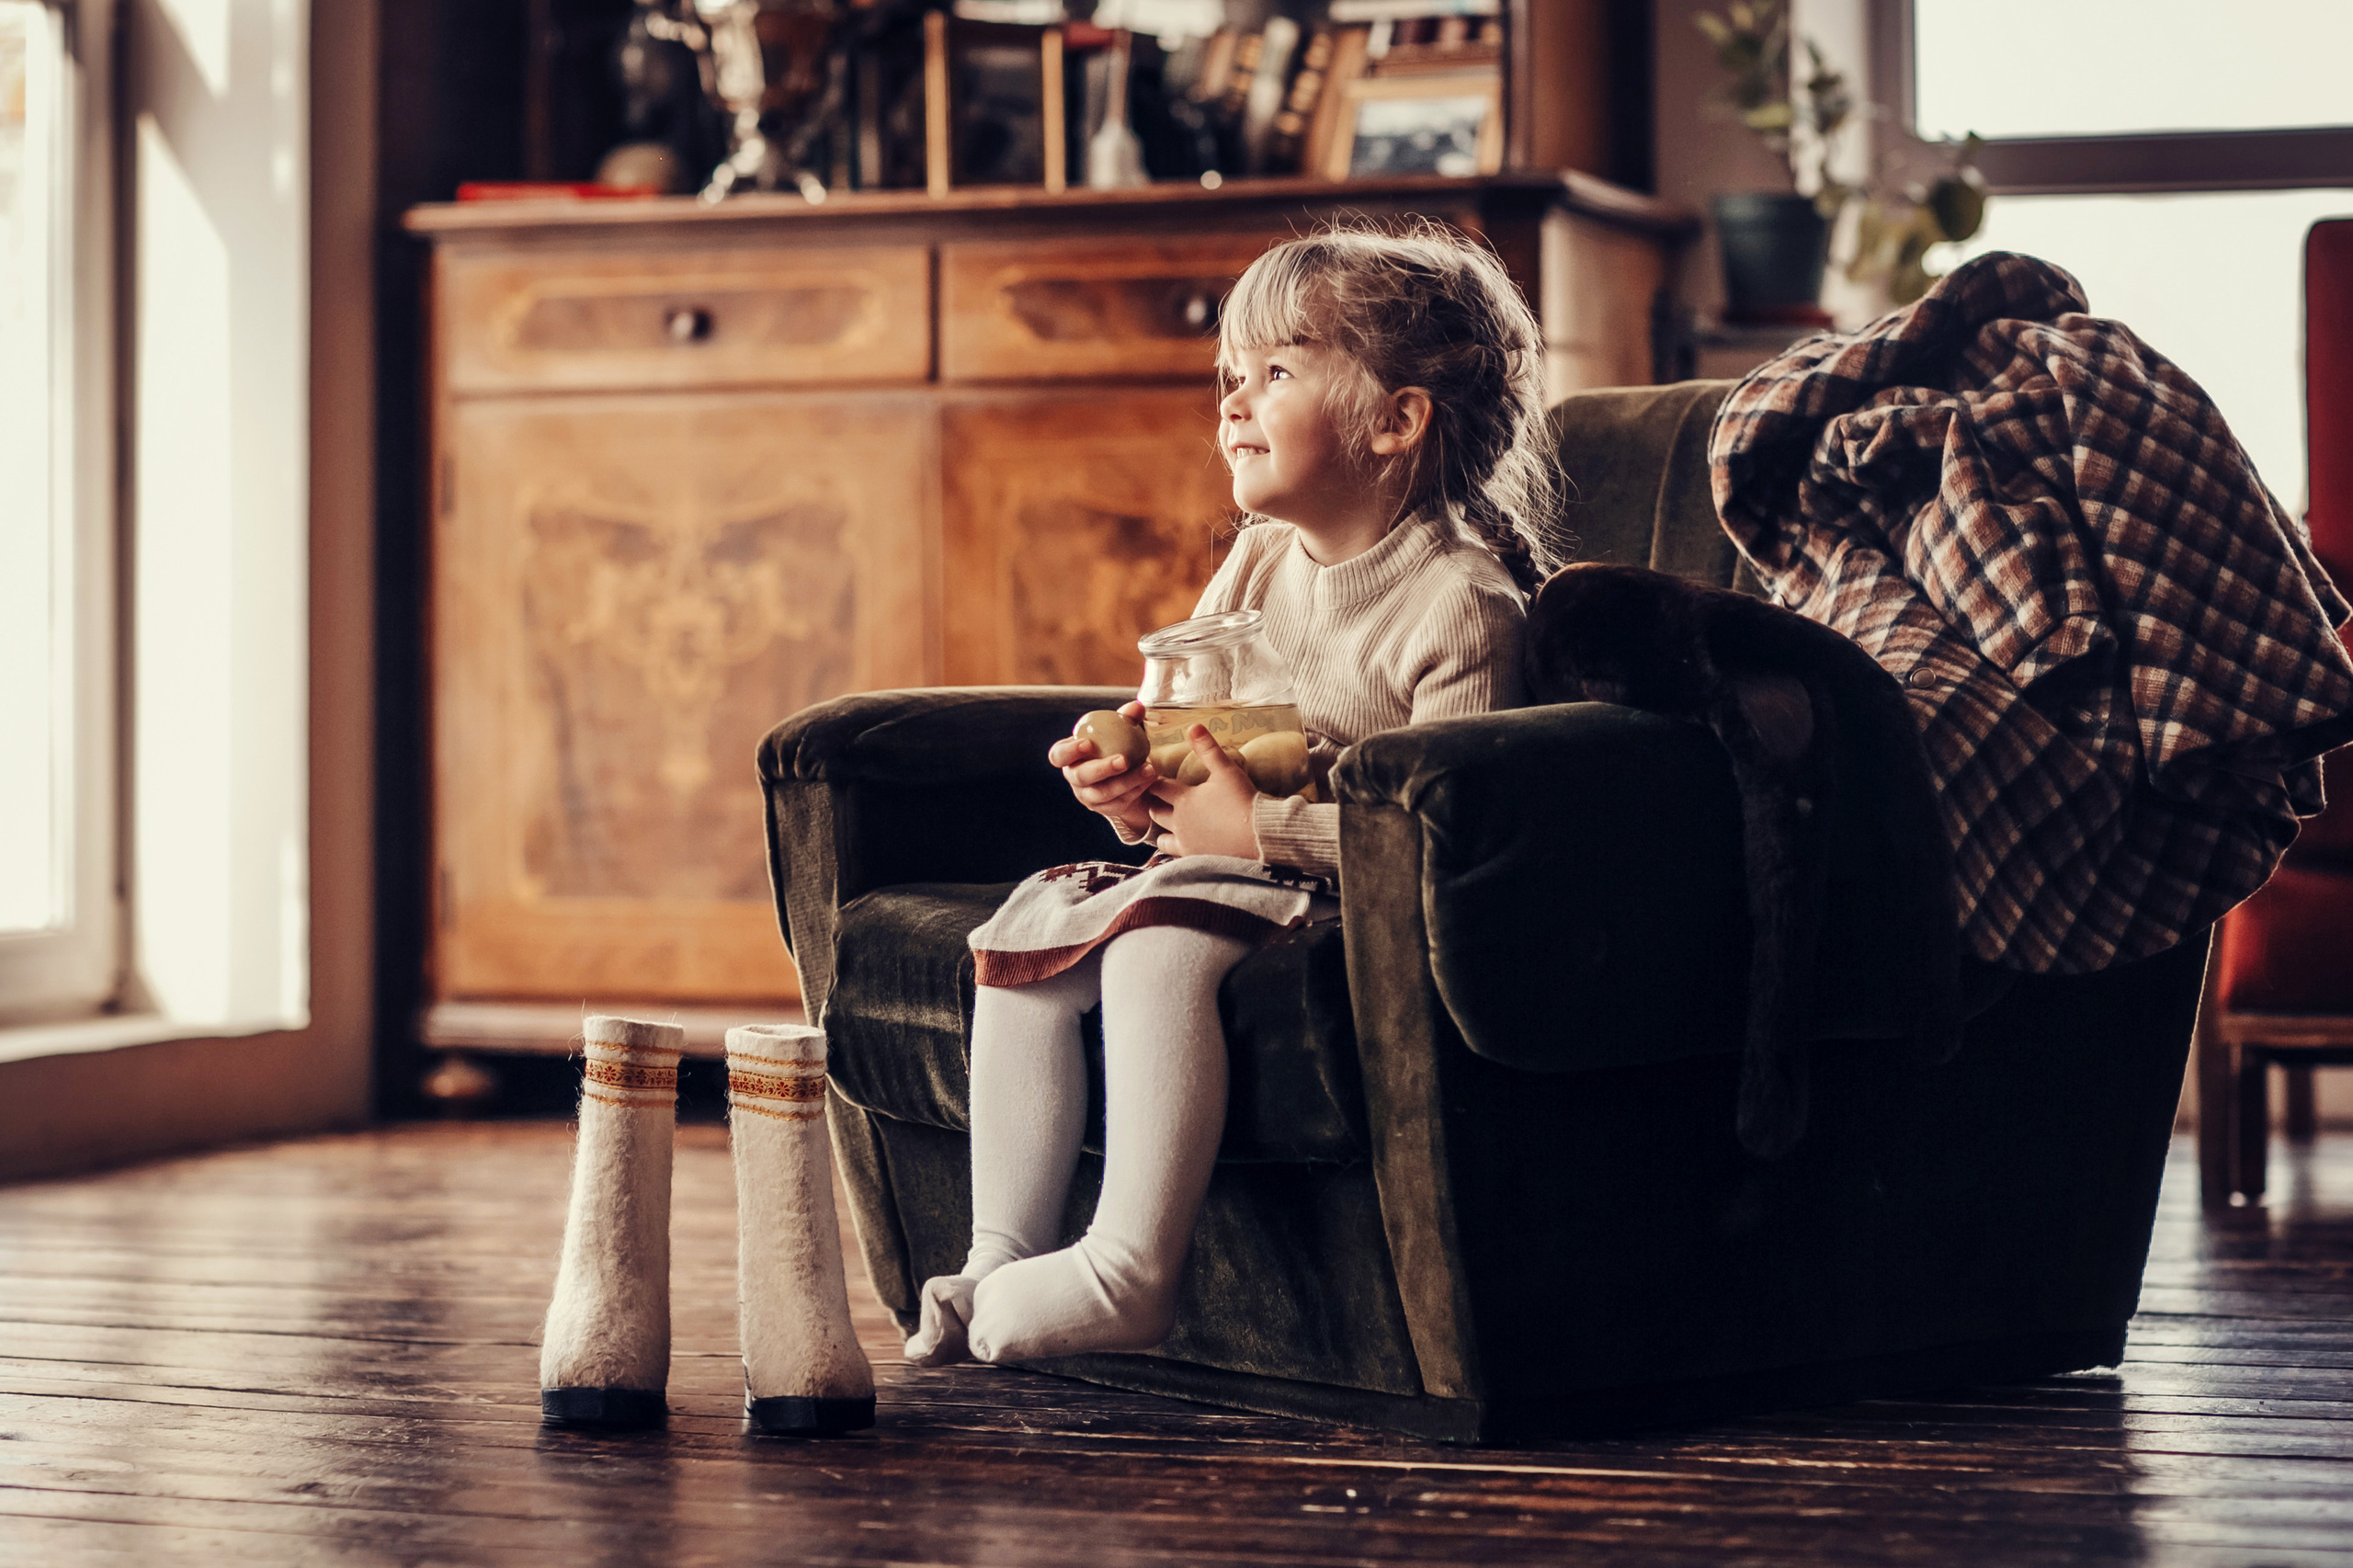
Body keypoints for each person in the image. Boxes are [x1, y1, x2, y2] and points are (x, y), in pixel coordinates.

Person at [904, 224, 1563, 1368]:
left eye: (1275, 371)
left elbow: (1444, 839)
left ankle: (1127, 1269)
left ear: (1397, 421)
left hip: (1342, 901)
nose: (1230, 402)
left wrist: (1251, 829)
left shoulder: (1460, 604)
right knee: (1035, 921)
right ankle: (999, 1250)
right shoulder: (1256, 559)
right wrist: (1130, 787)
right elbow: (1180, 728)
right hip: (1211, 869)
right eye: (1230, 373)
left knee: (1155, 949)